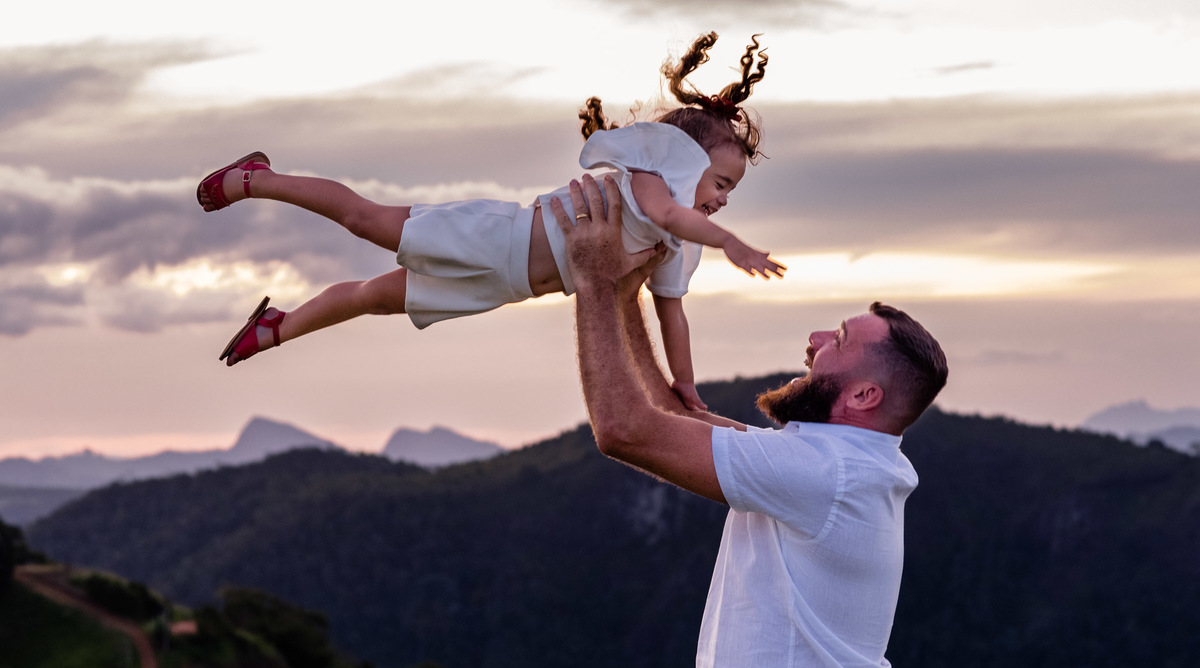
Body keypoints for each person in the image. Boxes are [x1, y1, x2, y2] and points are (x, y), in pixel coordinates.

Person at [549, 174, 948, 668]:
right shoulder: (838, 464)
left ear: (865, 396)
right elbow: (673, 423)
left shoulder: (826, 475)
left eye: (838, 341)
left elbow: (625, 431)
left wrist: (593, 278)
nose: (814, 341)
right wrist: (628, 295)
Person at [198, 32, 784, 411]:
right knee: (364, 220)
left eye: (730, 194)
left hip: (502, 285)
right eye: (721, 184)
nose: (723, 202)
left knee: (372, 297)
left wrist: (686, 384)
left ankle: (279, 327)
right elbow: (667, 213)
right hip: (492, 236)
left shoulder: (676, 246)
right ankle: (258, 178)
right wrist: (732, 242)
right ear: (682, 161)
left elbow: (672, 311)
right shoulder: (650, 185)